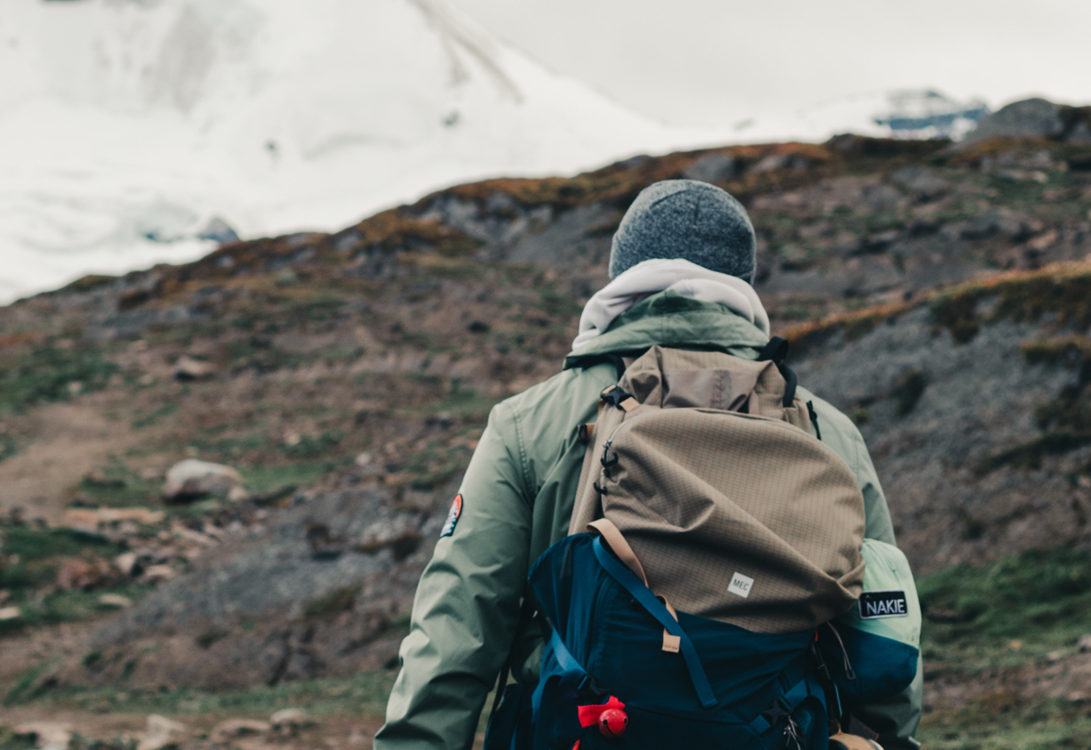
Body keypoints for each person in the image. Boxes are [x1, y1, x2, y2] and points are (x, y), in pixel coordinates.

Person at [373, 180, 922, 750]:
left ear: (621, 276)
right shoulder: (825, 430)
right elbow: (886, 635)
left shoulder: (529, 423)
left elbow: (456, 630)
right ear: (742, 284)